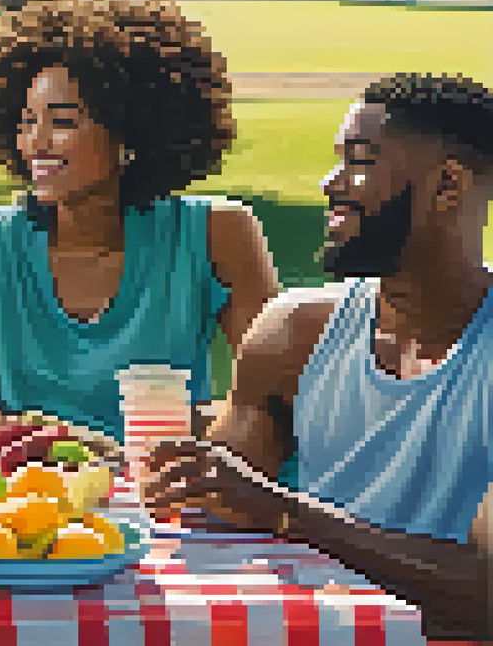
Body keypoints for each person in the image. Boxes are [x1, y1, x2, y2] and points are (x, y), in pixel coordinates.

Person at [145, 73, 491, 641]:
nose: (331, 184)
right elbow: (214, 522)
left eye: (359, 161)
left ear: (448, 185)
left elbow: (484, 599)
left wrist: (286, 515)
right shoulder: (295, 333)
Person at [0, 0, 283, 443]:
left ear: (129, 134)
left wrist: (188, 426)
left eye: (62, 122)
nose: (35, 143)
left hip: (165, 492)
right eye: (25, 122)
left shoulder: (216, 235)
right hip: (23, 496)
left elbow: (276, 394)